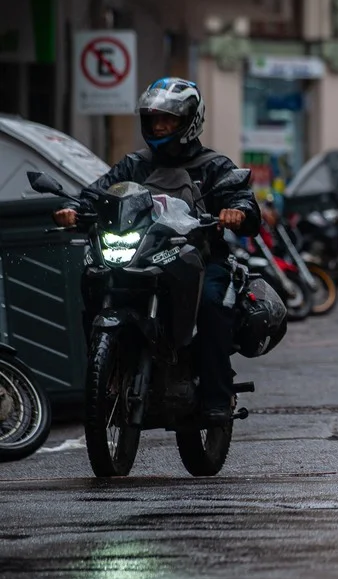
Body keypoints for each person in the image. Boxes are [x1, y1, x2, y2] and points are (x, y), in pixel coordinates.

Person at [53, 77, 261, 425]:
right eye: (153, 119)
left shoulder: (213, 165)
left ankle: (216, 397)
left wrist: (237, 211)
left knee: (212, 303)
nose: (159, 126)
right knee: (95, 279)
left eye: (169, 119)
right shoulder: (134, 165)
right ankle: (108, 373)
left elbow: (244, 203)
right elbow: (98, 192)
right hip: (143, 256)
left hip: (201, 257)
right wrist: (73, 208)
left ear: (190, 121)